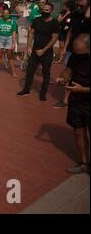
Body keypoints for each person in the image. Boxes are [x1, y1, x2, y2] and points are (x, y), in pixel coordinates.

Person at [55, 33, 90, 174]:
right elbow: (67, 71)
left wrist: (83, 89)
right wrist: (62, 78)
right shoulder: (75, 56)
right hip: (76, 100)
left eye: (81, 53)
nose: (78, 56)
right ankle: (84, 162)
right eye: (76, 53)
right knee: (78, 131)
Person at [17, 3, 59, 101]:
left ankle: (43, 93)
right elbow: (31, 33)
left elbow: (54, 39)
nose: (44, 11)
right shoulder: (37, 20)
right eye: (43, 9)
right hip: (34, 51)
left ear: (51, 11)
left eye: (47, 10)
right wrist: (28, 47)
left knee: (46, 74)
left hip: (47, 52)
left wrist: (43, 50)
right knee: (30, 71)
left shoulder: (55, 23)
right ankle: (26, 90)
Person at [0, 8, 18, 77]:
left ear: (9, 14)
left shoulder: (13, 22)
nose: (6, 15)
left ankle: (13, 72)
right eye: (4, 13)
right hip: (0, 39)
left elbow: (14, 33)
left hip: (9, 39)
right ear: (2, 14)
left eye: (7, 13)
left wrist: (14, 43)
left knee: (9, 56)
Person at [55, 0, 76, 64]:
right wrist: (65, 15)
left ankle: (66, 57)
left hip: (69, 32)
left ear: (69, 7)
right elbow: (58, 21)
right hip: (62, 31)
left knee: (67, 46)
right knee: (61, 45)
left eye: (65, 6)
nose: (64, 7)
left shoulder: (74, 13)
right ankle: (60, 58)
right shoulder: (63, 12)